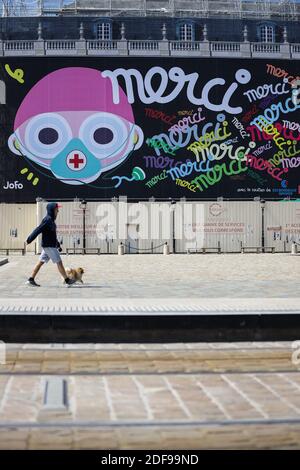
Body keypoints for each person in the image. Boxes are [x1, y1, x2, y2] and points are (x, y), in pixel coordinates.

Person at [25, 202, 75, 287]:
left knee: (40, 262)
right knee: (59, 262)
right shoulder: (47, 220)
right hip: (49, 246)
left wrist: (58, 245)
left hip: (49, 246)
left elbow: (53, 235)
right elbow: (38, 230)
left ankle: (31, 279)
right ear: (52, 210)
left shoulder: (51, 221)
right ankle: (67, 280)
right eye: (56, 209)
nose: (58, 211)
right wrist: (29, 239)